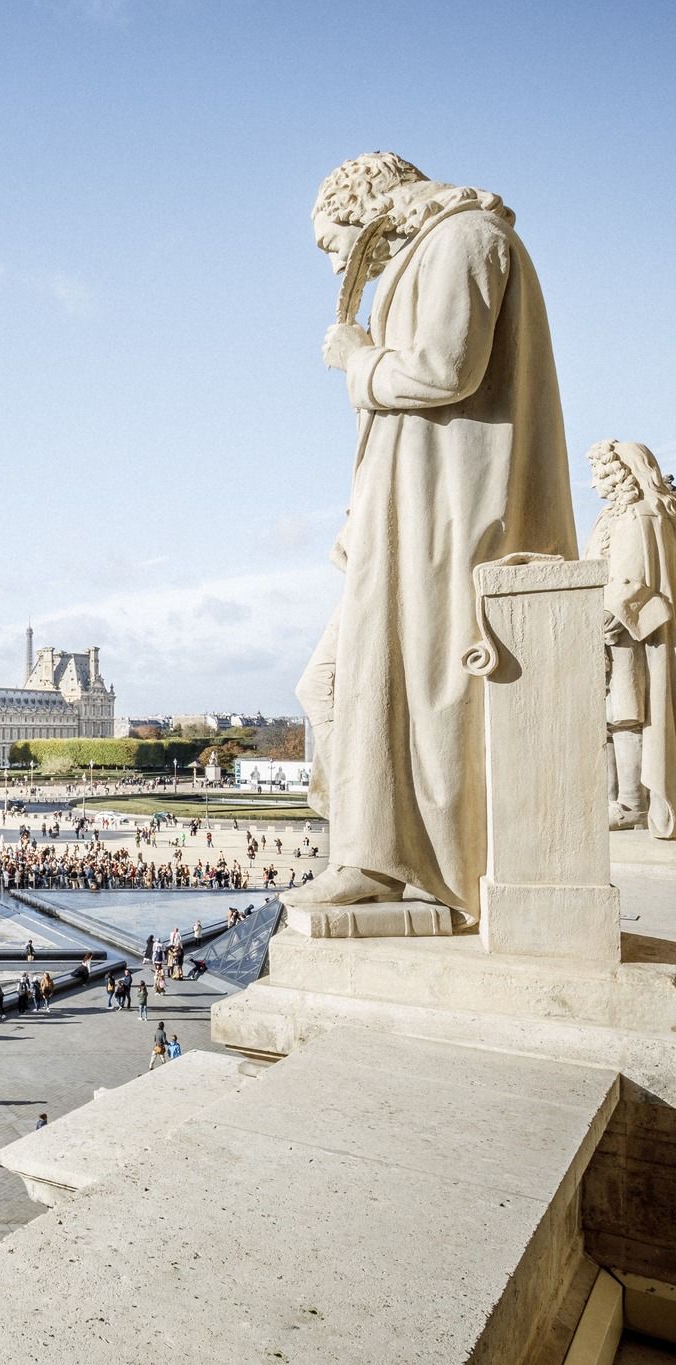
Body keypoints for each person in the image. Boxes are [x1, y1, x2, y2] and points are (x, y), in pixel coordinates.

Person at [292, 154, 575, 919]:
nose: (337, 260)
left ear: (367, 202)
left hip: (445, 513)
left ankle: (387, 859)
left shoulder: (467, 238)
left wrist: (357, 361)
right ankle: (373, 847)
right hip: (404, 510)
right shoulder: (433, 250)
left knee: (402, 684)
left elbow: (447, 370)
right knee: (340, 682)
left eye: (331, 241)